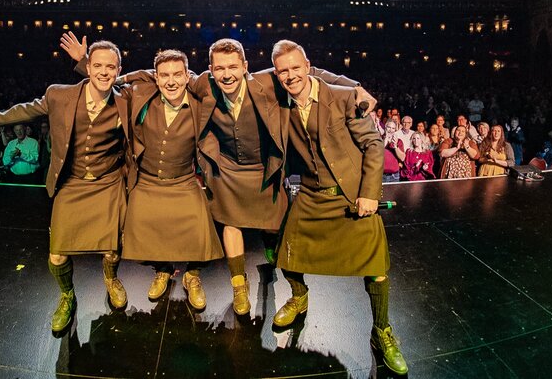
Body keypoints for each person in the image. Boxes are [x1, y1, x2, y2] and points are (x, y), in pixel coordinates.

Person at [61, 32, 372, 315]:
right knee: (231, 226)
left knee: (276, 234)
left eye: (233, 67)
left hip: (264, 170)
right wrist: (85, 62)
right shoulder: (202, 84)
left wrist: (355, 87)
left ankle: (294, 289)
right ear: (209, 70)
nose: (227, 74)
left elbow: (309, 72)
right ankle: (239, 287)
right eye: (219, 68)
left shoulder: (266, 82)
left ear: (245, 66)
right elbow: (135, 78)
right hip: (228, 172)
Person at [0, 40, 131, 333]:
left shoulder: (127, 100)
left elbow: (153, 79)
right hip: (73, 183)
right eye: (97, 65)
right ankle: (67, 296)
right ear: (88, 68)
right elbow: (25, 111)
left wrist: (82, 59)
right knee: (57, 254)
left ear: (119, 70)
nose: (104, 72)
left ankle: (111, 279)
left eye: (111, 67)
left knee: (113, 249)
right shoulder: (59, 95)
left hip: (108, 183)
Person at [269, 40, 407, 376]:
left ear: (308, 66)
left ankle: (382, 332)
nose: (290, 75)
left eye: (295, 68)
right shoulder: (279, 104)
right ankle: (299, 297)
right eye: (283, 71)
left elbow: (373, 145)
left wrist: (369, 193)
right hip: (312, 195)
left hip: (351, 196)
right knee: (287, 252)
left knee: (375, 267)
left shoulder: (344, 97)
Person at [118, 49, 224, 309]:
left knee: (201, 228)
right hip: (147, 180)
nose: (171, 81)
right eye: (164, 75)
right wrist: (83, 62)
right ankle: (162, 270)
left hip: (184, 179)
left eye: (178, 74)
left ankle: (192, 276)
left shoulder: (201, 104)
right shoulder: (142, 96)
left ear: (188, 76)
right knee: (142, 225)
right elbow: (108, 84)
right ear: (156, 78)